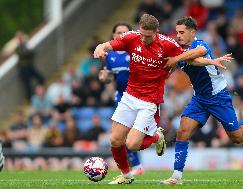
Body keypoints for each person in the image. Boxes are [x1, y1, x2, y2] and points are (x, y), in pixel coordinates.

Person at [94, 14, 231, 184]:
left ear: (156, 32)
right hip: (129, 96)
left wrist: (210, 61)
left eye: (148, 36)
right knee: (115, 140)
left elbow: (191, 59)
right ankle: (126, 176)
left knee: (132, 145)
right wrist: (100, 48)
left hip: (149, 101)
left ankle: (156, 137)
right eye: (141, 35)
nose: (143, 39)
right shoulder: (131, 38)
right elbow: (108, 45)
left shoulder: (167, 44)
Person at [160, 17, 243, 185]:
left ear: (192, 33)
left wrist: (175, 59)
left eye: (182, 32)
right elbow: (190, 61)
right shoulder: (180, 52)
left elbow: (197, 54)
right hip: (199, 98)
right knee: (182, 132)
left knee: (238, 137)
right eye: (177, 32)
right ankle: (176, 177)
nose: (178, 35)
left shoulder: (201, 44)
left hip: (218, 97)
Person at [99, 22, 145, 175]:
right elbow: (109, 77)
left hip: (140, 97)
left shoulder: (137, 51)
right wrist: (104, 77)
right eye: (119, 32)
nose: (122, 35)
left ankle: (154, 139)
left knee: (134, 134)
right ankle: (136, 166)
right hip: (121, 99)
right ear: (113, 36)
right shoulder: (110, 56)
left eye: (125, 32)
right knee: (121, 136)